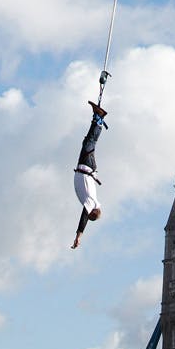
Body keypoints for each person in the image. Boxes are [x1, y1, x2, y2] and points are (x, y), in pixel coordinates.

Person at [71, 98, 108, 249]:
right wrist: (79, 235)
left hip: (85, 167)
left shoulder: (91, 202)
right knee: (89, 142)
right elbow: (84, 218)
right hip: (87, 167)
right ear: (92, 211)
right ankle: (99, 118)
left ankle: (97, 117)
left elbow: (86, 215)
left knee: (88, 142)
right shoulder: (91, 203)